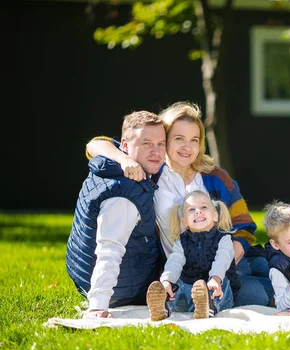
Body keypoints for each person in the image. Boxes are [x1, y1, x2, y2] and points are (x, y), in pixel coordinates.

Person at [86, 102, 274, 307]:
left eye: (194, 140)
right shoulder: (152, 173)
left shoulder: (215, 177)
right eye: (179, 139)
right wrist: (124, 160)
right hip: (183, 272)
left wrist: (220, 270)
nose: (187, 147)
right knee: (263, 295)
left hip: (230, 265)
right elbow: (95, 145)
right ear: (164, 140)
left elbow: (244, 227)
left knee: (276, 284)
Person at [66, 110, 167, 318]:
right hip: (123, 290)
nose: (156, 152)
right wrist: (98, 305)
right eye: (147, 143)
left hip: (87, 272)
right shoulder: (124, 194)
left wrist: (123, 158)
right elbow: (109, 249)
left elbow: (94, 143)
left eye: (161, 143)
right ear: (126, 145)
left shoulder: (115, 161)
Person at [146, 190, 237, 321]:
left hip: (217, 287)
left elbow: (222, 259)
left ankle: (209, 306)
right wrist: (167, 280)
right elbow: (175, 261)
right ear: (184, 222)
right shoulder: (182, 242)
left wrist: (215, 278)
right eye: (191, 209)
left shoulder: (224, 239)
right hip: (191, 289)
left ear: (215, 216)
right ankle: (164, 307)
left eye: (204, 207)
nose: (198, 211)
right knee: (178, 287)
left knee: (222, 286)